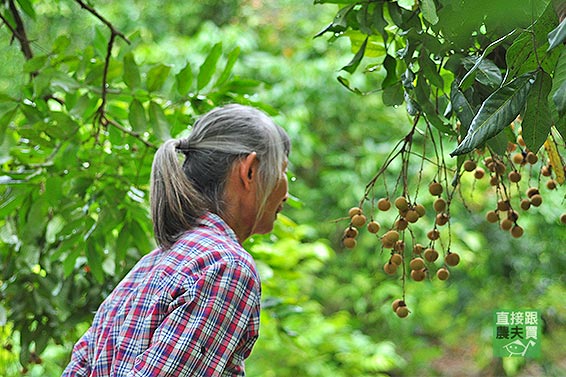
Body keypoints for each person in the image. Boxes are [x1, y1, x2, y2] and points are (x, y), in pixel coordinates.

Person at [62, 104, 291, 376]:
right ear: (250, 171)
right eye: (282, 170)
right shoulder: (226, 266)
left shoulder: (148, 267)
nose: (286, 191)